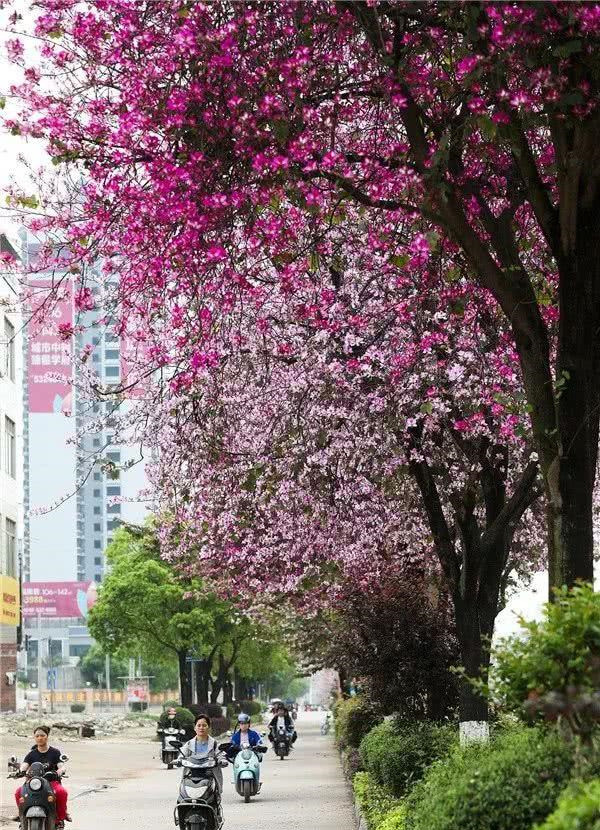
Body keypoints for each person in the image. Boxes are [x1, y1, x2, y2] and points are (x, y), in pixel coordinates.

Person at [14, 725, 70, 828]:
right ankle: (22, 816)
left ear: (47, 736)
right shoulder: (31, 754)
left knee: (62, 792)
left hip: (51, 782)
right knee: (18, 792)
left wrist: (60, 771)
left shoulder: (55, 752)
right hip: (33, 782)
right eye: (37, 736)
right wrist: (21, 771)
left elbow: (61, 766)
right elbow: (25, 765)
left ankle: (60, 818)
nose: (40, 738)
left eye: (42, 735)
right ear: (34, 738)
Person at [178, 715, 228, 801]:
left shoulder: (214, 744)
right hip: (192, 774)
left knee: (214, 798)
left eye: (204, 725)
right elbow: (182, 755)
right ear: (195, 728)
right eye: (199, 725)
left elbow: (220, 754)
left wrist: (222, 760)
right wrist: (178, 760)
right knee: (182, 798)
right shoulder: (189, 744)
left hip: (210, 775)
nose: (201, 728)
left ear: (208, 727)